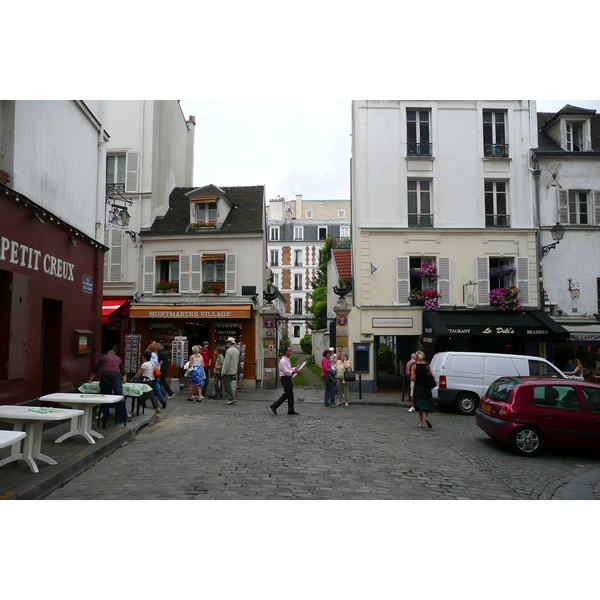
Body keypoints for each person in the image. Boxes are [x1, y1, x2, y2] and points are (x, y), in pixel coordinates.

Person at [89, 348, 128, 426]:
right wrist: (124, 380)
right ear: (114, 354)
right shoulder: (118, 358)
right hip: (115, 374)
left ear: (108, 353)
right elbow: (123, 372)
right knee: (118, 395)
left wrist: (89, 380)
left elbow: (95, 369)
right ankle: (123, 417)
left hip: (104, 374)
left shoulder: (103, 358)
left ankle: (106, 416)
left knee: (105, 395)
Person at [270, 346, 301, 415]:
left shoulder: (287, 360)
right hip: (285, 378)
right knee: (287, 394)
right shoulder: (283, 361)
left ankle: (291, 409)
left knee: (290, 395)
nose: (291, 352)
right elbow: (286, 372)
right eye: (290, 351)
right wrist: (295, 372)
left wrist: (294, 368)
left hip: (288, 378)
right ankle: (275, 405)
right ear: (286, 352)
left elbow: (289, 369)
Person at [411, 350, 436, 428]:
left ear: (416, 357)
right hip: (426, 388)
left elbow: (412, 378)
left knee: (419, 405)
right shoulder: (427, 365)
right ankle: (427, 418)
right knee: (428, 403)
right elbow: (433, 375)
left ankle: (421, 423)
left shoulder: (414, 366)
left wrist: (415, 378)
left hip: (418, 387)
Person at [222, 337, 240, 405]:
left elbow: (226, 362)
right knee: (228, 383)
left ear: (230, 343)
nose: (227, 343)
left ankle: (231, 397)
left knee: (227, 384)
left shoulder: (229, 351)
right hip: (234, 369)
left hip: (229, 370)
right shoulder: (236, 350)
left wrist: (223, 372)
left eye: (227, 342)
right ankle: (232, 397)